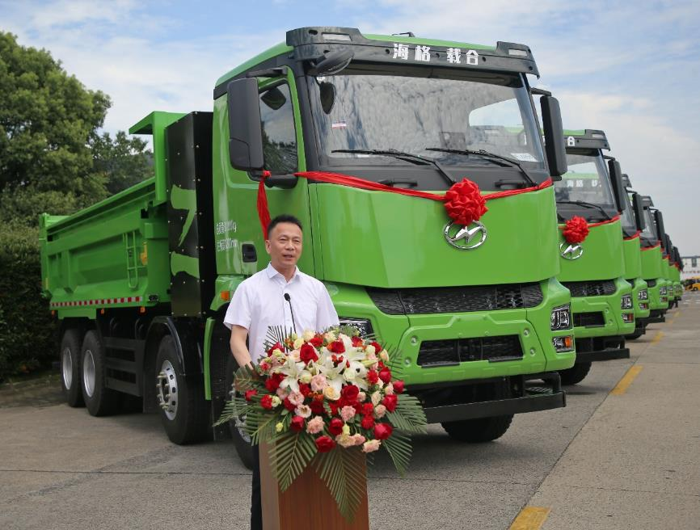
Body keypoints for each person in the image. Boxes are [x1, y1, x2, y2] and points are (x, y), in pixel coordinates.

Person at [224, 214, 339, 530]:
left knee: (313, 469)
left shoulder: (315, 289)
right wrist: (256, 378)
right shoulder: (250, 288)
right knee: (268, 475)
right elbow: (237, 339)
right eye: (283, 240)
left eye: (296, 241)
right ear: (268, 244)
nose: (290, 247)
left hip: (313, 393)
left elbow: (331, 338)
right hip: (270, 395)